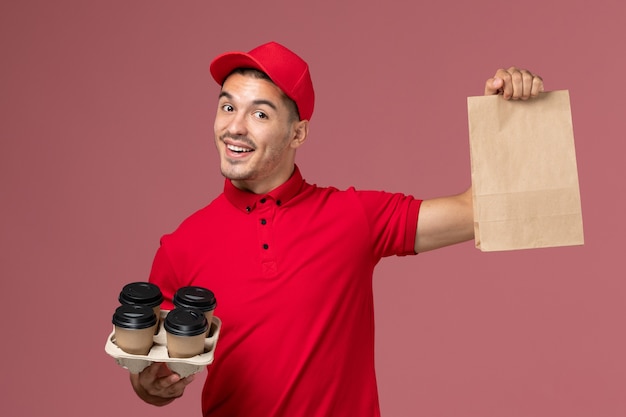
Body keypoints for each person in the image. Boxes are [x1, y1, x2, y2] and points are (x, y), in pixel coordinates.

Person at [128, 41, 544, 416]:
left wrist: (506, 117)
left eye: (259, 113)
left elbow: (484, 210)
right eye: (227, 106)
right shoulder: (182, 244)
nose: (235, 126)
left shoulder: (353, 216)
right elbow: (150, 368)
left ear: (298, 132)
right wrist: (150, 384)